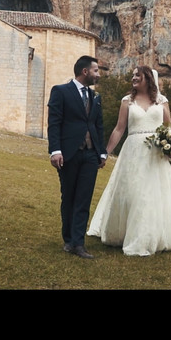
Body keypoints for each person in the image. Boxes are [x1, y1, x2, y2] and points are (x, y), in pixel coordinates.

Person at [87, 66, 171, 256]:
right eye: (133, 75)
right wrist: (105, 153)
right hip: (133, 150)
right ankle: (127, 232)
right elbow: (119, 129)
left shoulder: (162, 101)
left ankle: (155, 234)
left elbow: (169, 127)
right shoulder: (127, 101)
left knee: (154, 193)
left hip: (157, 153)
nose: (133, 78)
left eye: (137, 75)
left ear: (148, 78)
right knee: (134, 191)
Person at [47, 55, 108, 259]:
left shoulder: (95, 97)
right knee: (69, 198)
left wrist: (101, 152)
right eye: (96, 70)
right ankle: (68, 240)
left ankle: (78, 244)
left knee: (84, 199)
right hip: (68, 154)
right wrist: (55, 150)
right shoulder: (61, 91)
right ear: (85, 72)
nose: (98, 74)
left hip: (90, 155)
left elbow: (98, 125)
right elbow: (54, 122)